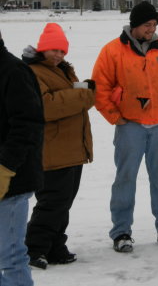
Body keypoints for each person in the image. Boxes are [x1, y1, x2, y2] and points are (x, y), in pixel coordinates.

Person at [91, 1, 158, 252]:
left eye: (154, 24)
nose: (152, 28)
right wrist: (115, 117)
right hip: (130, 126)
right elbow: (100, 88)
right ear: (134, 26)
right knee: (125, 178)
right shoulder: (112, 51)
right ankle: (121, 231)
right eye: (147, 24)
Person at [23, 23, 95, 269]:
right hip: (53, 151)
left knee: (64, 202)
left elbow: (73, 101)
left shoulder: (63, 70)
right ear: (42, 49)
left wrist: (84, 91)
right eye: (54, 50)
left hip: (73, 148)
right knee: (52, 202)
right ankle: (34, 249)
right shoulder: (32, 72)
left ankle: (55, 246)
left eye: (62, 51)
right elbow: (46, 106)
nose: (58, 55)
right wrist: (84, 95)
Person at [0, 30, 44, 285]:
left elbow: (28, 124)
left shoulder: (13, 71)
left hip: (12, 181)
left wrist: (5, 167)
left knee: (11, 258)